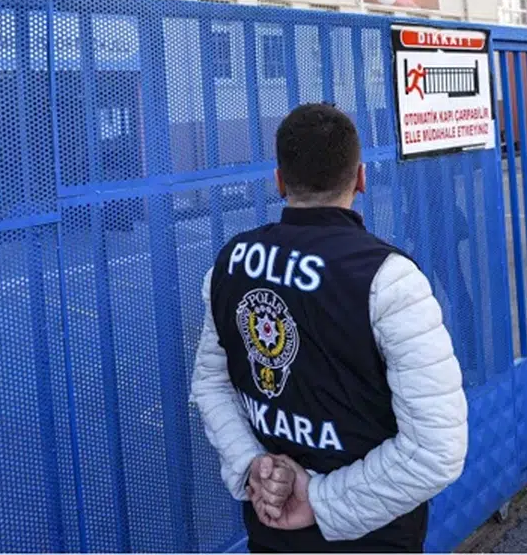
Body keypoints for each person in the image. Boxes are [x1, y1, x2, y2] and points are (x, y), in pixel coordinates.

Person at [189, 102, 469, 553]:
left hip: (271, 529)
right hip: (374, 538)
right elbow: (436, 450)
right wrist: (313, 498)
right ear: (360, 178)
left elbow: (210, 385)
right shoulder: (389, 278)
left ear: (279, 181)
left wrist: (257, 469)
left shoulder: (230, 263)